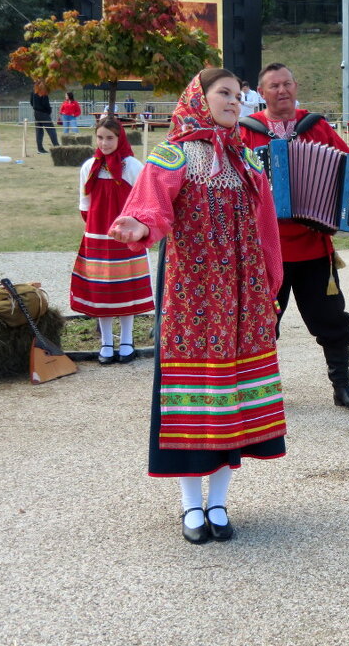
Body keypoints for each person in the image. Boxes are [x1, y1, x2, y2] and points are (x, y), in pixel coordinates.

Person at [109, 68, 286, 545]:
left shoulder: (247, 158)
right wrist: (139, 228)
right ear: (199, 99)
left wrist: (270, 282)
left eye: (236, 94)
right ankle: (191, 505)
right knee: (193, 394)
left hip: (242, 296)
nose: (232, 101)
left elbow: (265, 222)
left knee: (236, 393)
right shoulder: (175, 152)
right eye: (222, 94)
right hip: (195, 297)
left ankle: (221, 501)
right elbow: (152, 203)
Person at [241, 62, 349, 409]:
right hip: (264, 252)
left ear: (296, 86)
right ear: (261, 93)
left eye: (286, 84)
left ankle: (342, 386)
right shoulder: (246, 132)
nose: (281, 91)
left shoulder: (315, 127)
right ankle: (259, 393)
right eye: (273, 86)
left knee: (331, 319)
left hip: (315, 248)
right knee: (262, 323)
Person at [70, 116, 154, 364]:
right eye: (100, 137)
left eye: (110, 138)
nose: (104, 143)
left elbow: (144, 203)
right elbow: (84, 204)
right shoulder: (89, 166)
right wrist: (95, 230)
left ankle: (127, 340)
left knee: (125, 289)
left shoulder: (133, 166)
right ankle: (106, 342)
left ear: (120, 138)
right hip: (97, 237)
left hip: (126, 238)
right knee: (102, 291)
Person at [30, 89, 59, 153]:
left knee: (39, 131)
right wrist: (49, 111)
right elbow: (45, 103)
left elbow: (31, 102)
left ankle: (40, 149)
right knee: (51, 130)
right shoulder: (43, 91)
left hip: (36, 112)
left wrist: (36, 107)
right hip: (43, 113)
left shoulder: (34, 90)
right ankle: (57, 146)